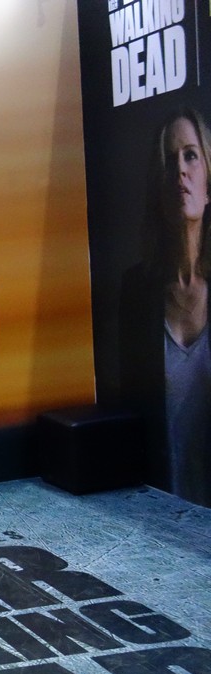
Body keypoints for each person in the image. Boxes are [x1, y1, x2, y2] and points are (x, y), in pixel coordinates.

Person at [113, 106, 211, 506]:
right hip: (161, 513)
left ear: (208, 181)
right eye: (169, 162)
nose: (180, 171)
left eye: (191, 156)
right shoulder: (137, 291)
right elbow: (129, 419)